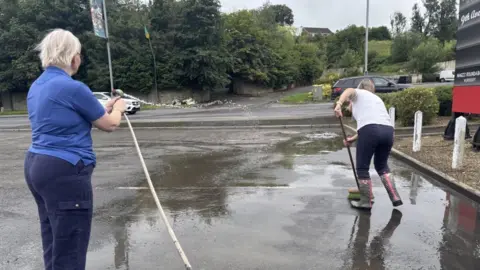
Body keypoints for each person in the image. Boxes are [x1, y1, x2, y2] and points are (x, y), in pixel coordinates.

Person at [24, 29, 126, 269]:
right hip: (65, 170)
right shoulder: (73, 87)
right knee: (70, 247)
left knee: (53, 239)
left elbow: (69, 112)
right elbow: (109, 124)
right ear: (74, 58)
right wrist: (119, 108)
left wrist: (105, 107)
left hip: (36, 165)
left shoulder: (37, 86)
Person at [334, 79, 402, 210]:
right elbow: (372, 124)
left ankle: (365, 201)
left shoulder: (359, 93)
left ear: (360, 87)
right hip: (388, 131)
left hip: (370, 130)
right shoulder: (376, 99)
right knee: (382, 166)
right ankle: (395, 196)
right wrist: (352, 139)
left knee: (362, 167)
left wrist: (339, 103)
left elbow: (348, 91)